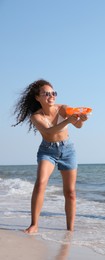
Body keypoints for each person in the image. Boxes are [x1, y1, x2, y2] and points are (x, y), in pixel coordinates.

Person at [12, 79, 89, 233]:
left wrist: (82, 120)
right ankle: (34, 224)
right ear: (37, 97)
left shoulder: (64, 109)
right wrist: (68, 120)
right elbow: (49, 132)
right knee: (40, 183)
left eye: (53, 93)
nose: (51, 96)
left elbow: (78, 125)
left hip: (68, 150)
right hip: (47, 151)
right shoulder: (36, 117)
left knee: (70, 192)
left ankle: (70, 229)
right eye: (46, 94)